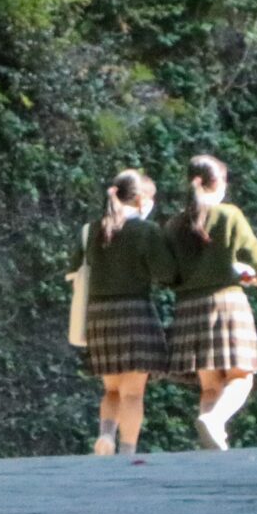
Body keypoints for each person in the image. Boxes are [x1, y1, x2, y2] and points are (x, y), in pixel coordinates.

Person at [165, 154, 257, 449]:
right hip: (227, 305)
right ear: (218, 183)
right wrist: (252, 275)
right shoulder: (229, 215)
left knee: (210, 386)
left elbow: (164, 272)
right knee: (241, 377)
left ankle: (212, 453)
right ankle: (215, 421)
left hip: (189, 309)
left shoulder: (173, 225)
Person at [68, 170, 173, 455]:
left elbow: (72, 268)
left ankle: (106, 436)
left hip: (100, 316)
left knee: (112, 389)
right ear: (140, 199)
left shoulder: (92, 230)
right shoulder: (146, 231)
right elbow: (166, 273)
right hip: (135, 313)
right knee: (133, 392)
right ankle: (127, 451)